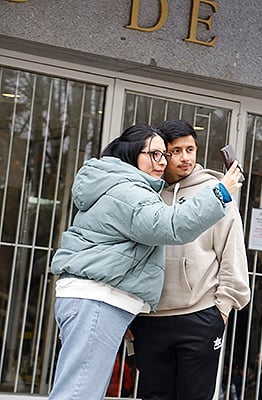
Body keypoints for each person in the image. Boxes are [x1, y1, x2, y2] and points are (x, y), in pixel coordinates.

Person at [48, 123, 242, 400]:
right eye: (157, 154)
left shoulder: (122, 185)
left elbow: (231, 253)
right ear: (131, 153)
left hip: (115, 304)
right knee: (79, 392)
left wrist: (222, 308)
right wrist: (222, 193)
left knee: (83, 390)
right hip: (100, 301)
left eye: (166, 154)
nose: (164, 161)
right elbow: (170, 226)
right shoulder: (129, 191)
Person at [130, 119, 251, 400]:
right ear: (162, 154)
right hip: (150, 318)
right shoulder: (147, 193)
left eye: (190, 149)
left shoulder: (215, 192)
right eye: (176, 151)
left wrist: (222, 309)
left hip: (200, 315)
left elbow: (232, 251)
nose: (185, 158)